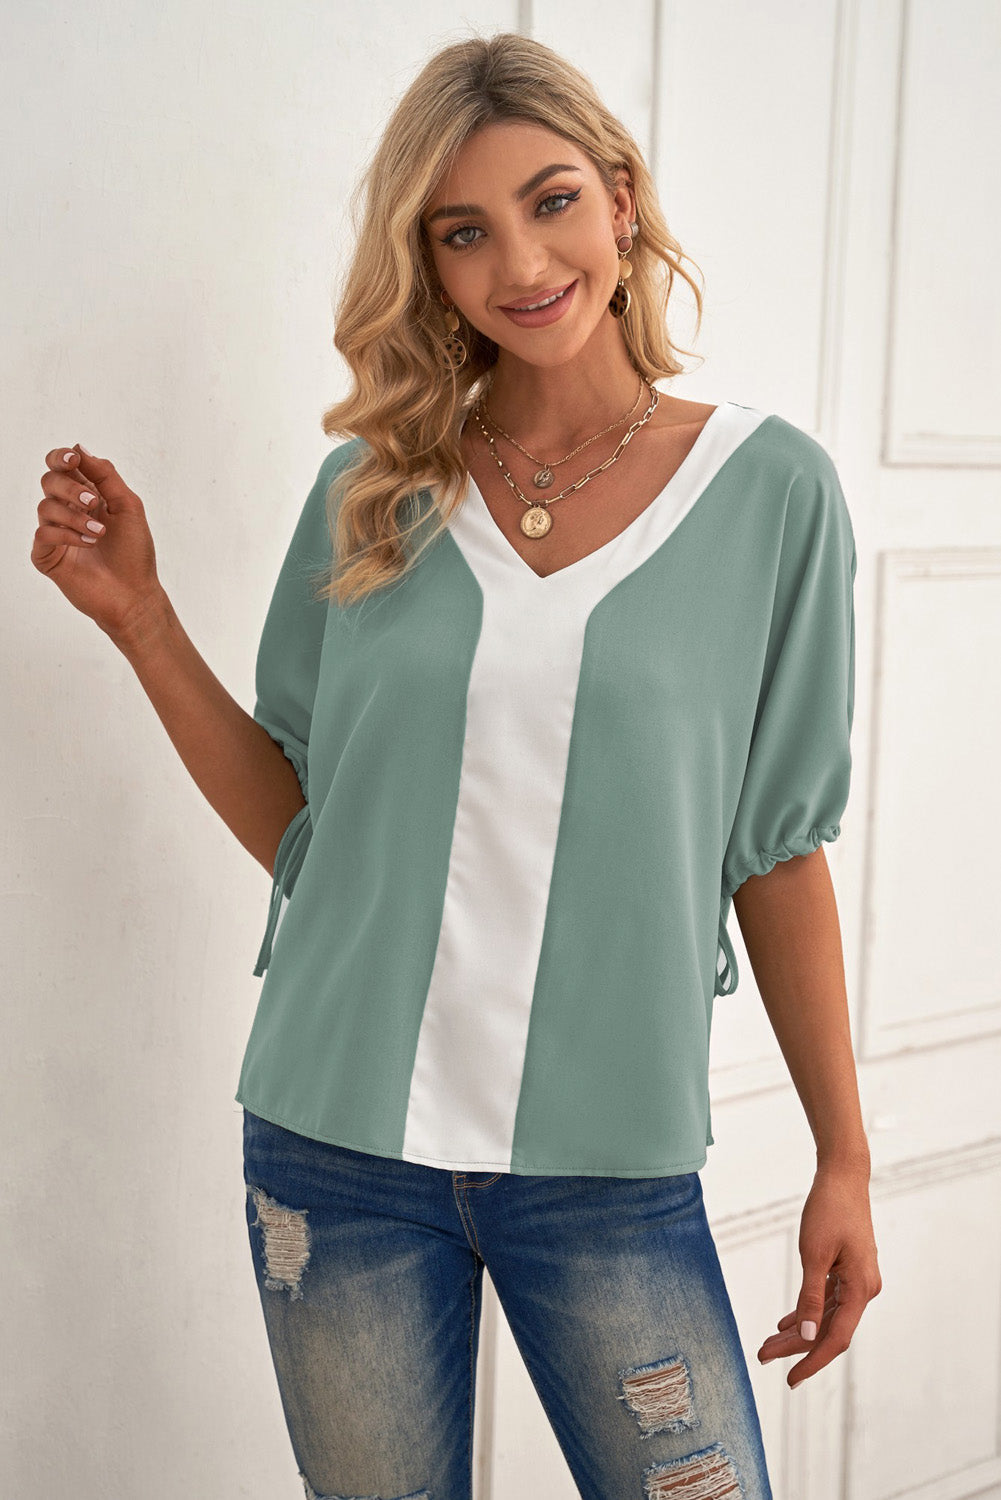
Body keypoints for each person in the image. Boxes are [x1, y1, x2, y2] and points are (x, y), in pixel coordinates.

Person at [31, 30, 881, 1500]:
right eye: (463, 231)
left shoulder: (770, 492)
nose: (521, 263)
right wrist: (142, 619)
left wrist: (843, 1160)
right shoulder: (372, 493)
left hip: (606, 1172)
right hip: (332, 1154)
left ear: (621, 199)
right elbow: (306, 827)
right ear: (423, 262)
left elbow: (777, 848)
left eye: (553, 203)